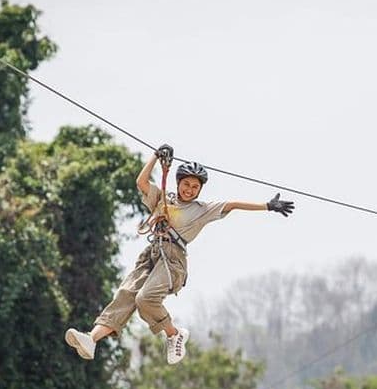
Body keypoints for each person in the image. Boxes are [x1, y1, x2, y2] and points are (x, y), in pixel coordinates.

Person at [65, 144, 295, 364]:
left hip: (172, 261)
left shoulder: (202, 210)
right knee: (126, 294)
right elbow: (141, 182)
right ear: (178, 183)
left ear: (200, 190)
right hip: (152, 254)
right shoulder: (164, 198)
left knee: (145, 298)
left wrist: (267, 205)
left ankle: (174, 335)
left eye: (195, 187)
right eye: (186, 184)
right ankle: (91, 339)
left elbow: (233, 204)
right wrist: (156, 156)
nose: (190, 190)